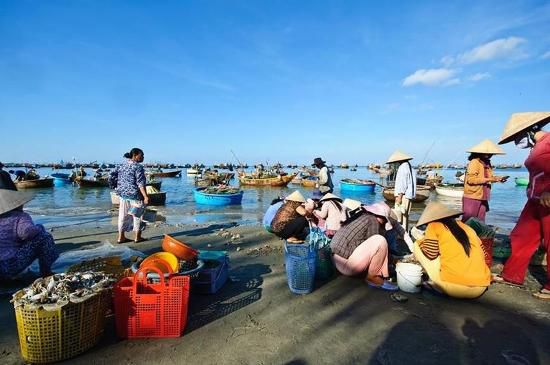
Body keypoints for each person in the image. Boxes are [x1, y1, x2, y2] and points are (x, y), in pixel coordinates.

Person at [493, 112, 550, 300]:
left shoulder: (549, 141)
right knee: (520, 236)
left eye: (518, 136)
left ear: (530, 130)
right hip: (534, 200)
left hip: (548, 200)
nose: (517, 141)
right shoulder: (535, 148)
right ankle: (512, 275)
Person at [414, 202, 491, 299]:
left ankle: (437, 284)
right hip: (480, 288)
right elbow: (484, 254)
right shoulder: (468, 228)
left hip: (454, 289)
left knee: (416, 245)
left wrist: (421, 240)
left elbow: (431, 254)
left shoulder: (434, 225)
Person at [330, 202, 398, 291]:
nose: (385, 222)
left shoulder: (361, 216)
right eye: (385, 219)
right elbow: (377, 247)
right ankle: (373, 278)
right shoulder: (372, 220)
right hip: (346, 266)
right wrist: (393, 260)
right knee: (380, 240)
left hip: (335, 261)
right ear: (380, 216)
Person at [0, 189, 59, 280]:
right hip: (7, 267)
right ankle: (46, 272)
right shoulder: (20, 216)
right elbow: (27, 233)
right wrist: (40, 227)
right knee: (44, 237)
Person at [462, 139, 507, 223]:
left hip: (483, 196)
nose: (490, 155)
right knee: (468, 221)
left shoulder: (487, 163)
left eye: (491, 154)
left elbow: (488, 178)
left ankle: (478, 236)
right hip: (473, 196)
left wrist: (497, 179)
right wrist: (491, 179)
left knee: (480, 222)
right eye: (488, 153)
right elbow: (471, 180)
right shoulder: (474, 162)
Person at [110, 148, 149, 244]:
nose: (143, 157)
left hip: (123, 194)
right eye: (142, 155)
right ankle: (137, 237)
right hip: (135, 195)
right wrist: (145, 196)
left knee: (123, 216)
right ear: (135, 155)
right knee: (138, 216)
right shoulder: (138, 167)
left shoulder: (122, 165)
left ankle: (121, 237)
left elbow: (111, 176)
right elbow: (140, 183)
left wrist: (116, 187)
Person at [387, 151, 417, 230]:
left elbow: (403, 183)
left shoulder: (403, 167)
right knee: (405, 216)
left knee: (399, 216)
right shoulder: (409, 166)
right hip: (408, 196)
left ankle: (401, 235)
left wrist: (399, 196)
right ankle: (405, 232)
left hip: (403, 196)